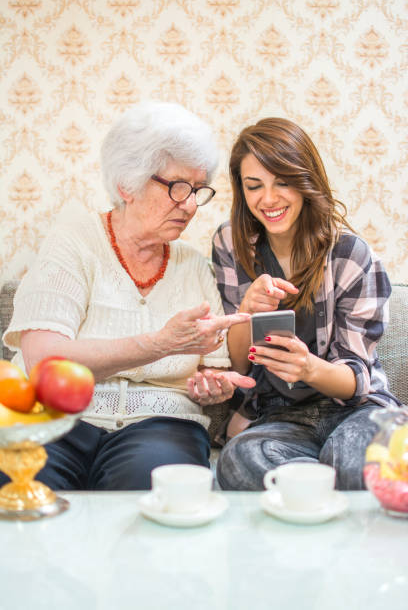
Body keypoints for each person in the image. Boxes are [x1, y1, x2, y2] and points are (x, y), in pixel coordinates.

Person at [1, 101, 255, 491]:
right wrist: (158, 345)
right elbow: (43, 360)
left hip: (162, 425)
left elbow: (212, 367)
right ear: (127, 185)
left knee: (151, 491)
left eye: (198, 190)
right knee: (24, 488)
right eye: (177, 187)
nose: (189, 205)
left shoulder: (193, 265)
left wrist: (212, 384)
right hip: (52, 417)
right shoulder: (74, 243)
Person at [212, 117, 400, 491]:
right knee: (239, 461)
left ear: (305, 180)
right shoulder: (231, 244)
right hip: (278, 416)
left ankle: (316, 504)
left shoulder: (350, 256)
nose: (269, 199)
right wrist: (246, 311)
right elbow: (236, 363)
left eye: (282, 181)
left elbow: (357, 379)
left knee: (355, 461)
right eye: (254, 186)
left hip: (354, 409)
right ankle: (318, 505)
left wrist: (308, 368)